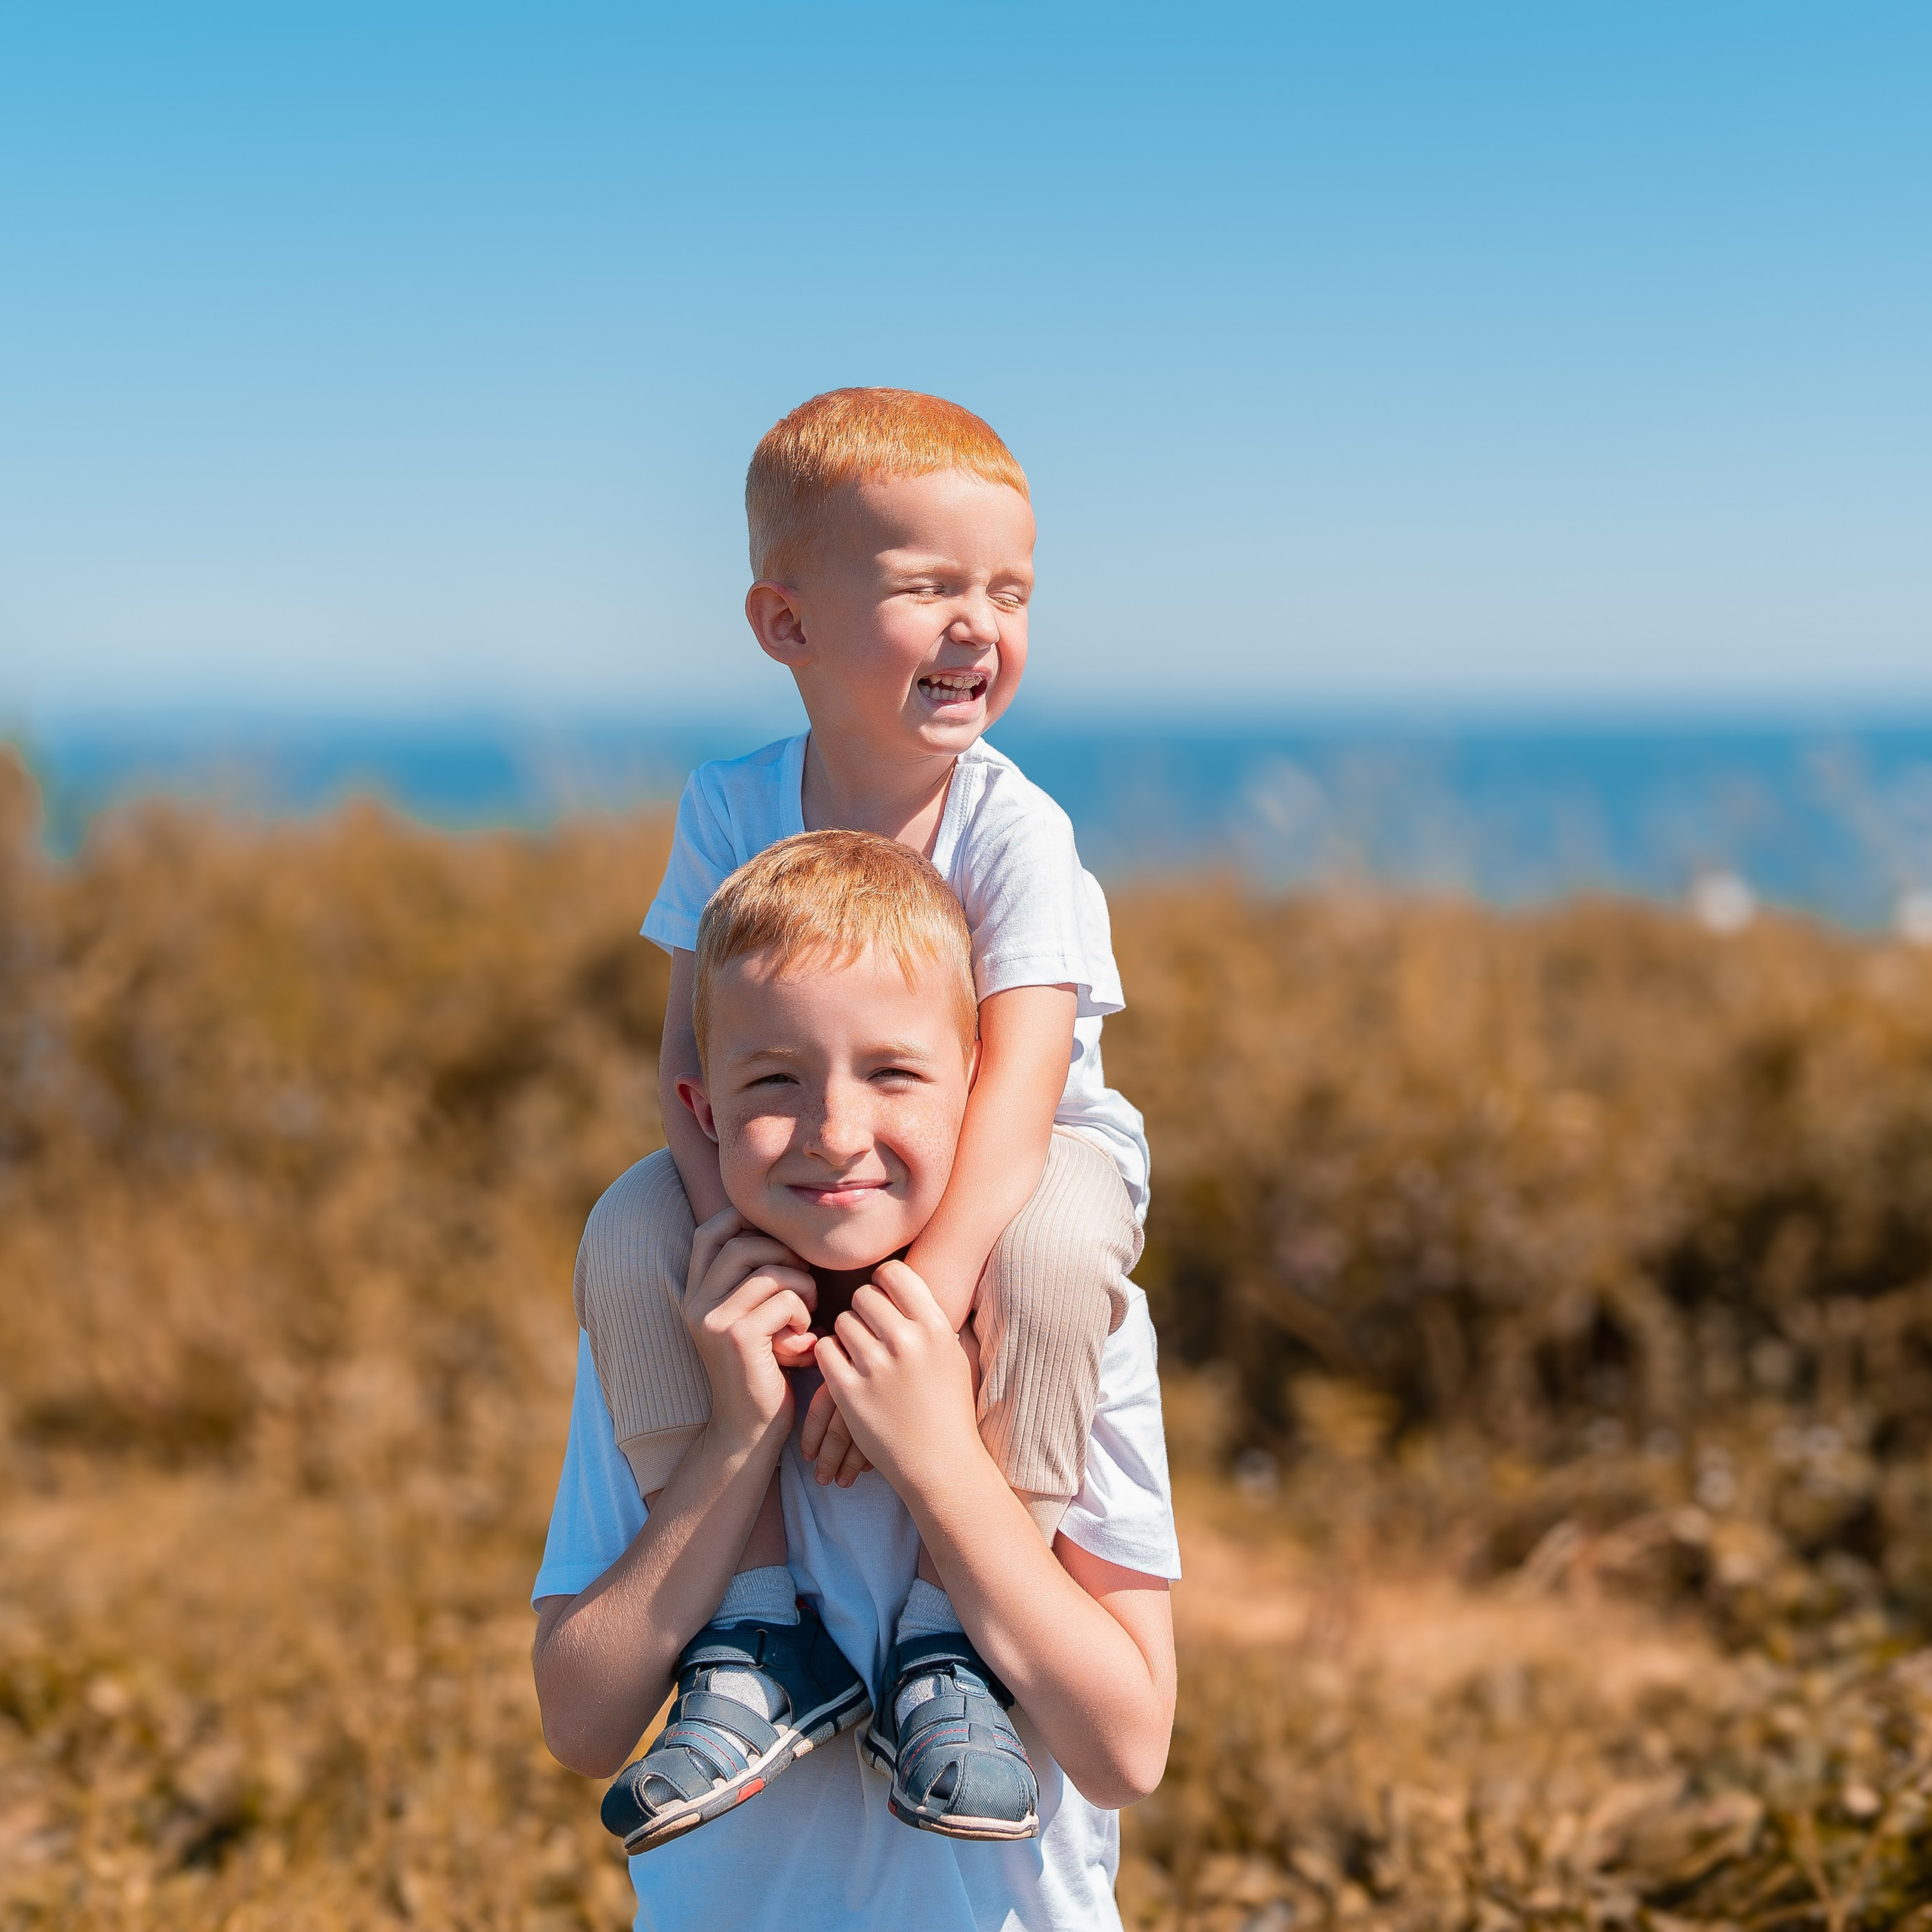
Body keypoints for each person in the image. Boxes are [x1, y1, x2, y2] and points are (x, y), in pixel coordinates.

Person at [568, 388, 1154, 1843]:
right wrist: (733, 1248)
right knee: (633, 1219)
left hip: (1005, 1174)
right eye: (927, 588)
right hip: (808, 1175)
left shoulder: (1014, 828)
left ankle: (959, 1621)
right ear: (785, 625)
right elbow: (686, 1065)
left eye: (1009, 592)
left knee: (1063, 1232)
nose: (979, 626)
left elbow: (1022, 1089)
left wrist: (924, 1290)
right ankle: (757, 1626)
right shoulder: (732, 804)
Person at [531, 832, 1178, 1929]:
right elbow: (582, 1723)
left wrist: (937, 1455)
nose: (836, 1135)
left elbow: (1125, 1749)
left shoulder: (1062, 1323)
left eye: (893, 1073)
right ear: (702, 1111)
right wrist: (739, 1435)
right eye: (775, 1081)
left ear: (980, 1097)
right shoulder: (682, 1326)